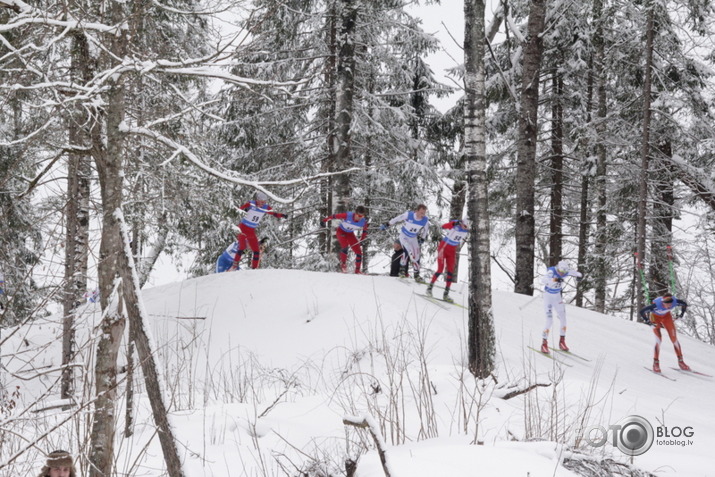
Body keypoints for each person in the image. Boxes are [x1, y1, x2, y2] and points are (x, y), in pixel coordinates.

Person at [231, 191, 287, 270]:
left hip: (251, 230)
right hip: (242, 228)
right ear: (257, 199)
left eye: (264, 202)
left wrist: (282, 215)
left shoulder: (265, 208)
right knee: (242, 247)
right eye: (261, 202)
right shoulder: (251, 204)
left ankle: (254, 269)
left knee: (256, 250)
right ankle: (234, 265)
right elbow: (238, 210)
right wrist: (244, 210)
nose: (262, 204)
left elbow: (274, 213)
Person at [639, 293, 690, 372]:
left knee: (674, 339)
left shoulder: (675, 302)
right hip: (655, 317)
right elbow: (642, 311)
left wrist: (681, 315)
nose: (669, 306)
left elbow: (684, 304)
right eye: (667, 304)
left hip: (666, 317)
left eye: (670, 304)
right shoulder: (656, 305)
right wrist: (649, 322)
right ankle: (656, 363)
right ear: (663, 302)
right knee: (659, 340)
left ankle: (681, 362)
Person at [540, 260, 582, 353]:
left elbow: (577, 273)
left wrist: (580, 277)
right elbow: (543, 280)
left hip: (557, 297)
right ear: (558, 268)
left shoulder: (566, 272)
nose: (562, 274)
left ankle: (562, 342)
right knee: (549, 321)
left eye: (564, 273)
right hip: (548, 297)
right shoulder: (552, 271)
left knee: (563, 319)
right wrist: (554, 279)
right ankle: (544, 343)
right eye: (560, 272)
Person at [380, 204, 430, 282]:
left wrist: (422, 238)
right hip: (404, 236)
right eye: (421, 213)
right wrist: (388, 224)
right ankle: (402, 271)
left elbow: (426, 230)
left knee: (416, 254)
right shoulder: (409, 215)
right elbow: (397, 218)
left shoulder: (425, 220)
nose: (422, 215)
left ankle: (416, 275)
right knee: (407, 249)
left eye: (424, 213)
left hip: (413, 238)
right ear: (416, 211)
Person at [426, 218, 470, 303]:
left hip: (452, 251)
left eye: (467, 227)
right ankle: (429, 288)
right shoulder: (456, 224)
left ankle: (446, 294)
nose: (466, 228)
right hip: (443, 248)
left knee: (450, 271)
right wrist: (454, 224)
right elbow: (443, 226)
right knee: (440, 269)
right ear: (462, 223)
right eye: (465, 226)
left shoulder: (467, 230)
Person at [321, 206, 369, 274]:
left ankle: (357, 270)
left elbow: (365, 231)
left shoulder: (363, 221)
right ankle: (343, 266)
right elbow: (335, 216)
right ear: (355, 213)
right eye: (358, 215)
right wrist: (324, 220)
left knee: (358, 252)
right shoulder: (348, 215)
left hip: (350, 234)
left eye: (362, 216)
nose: (359, 217)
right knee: (345, 246)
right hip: (341, 232)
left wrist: (362, 240)